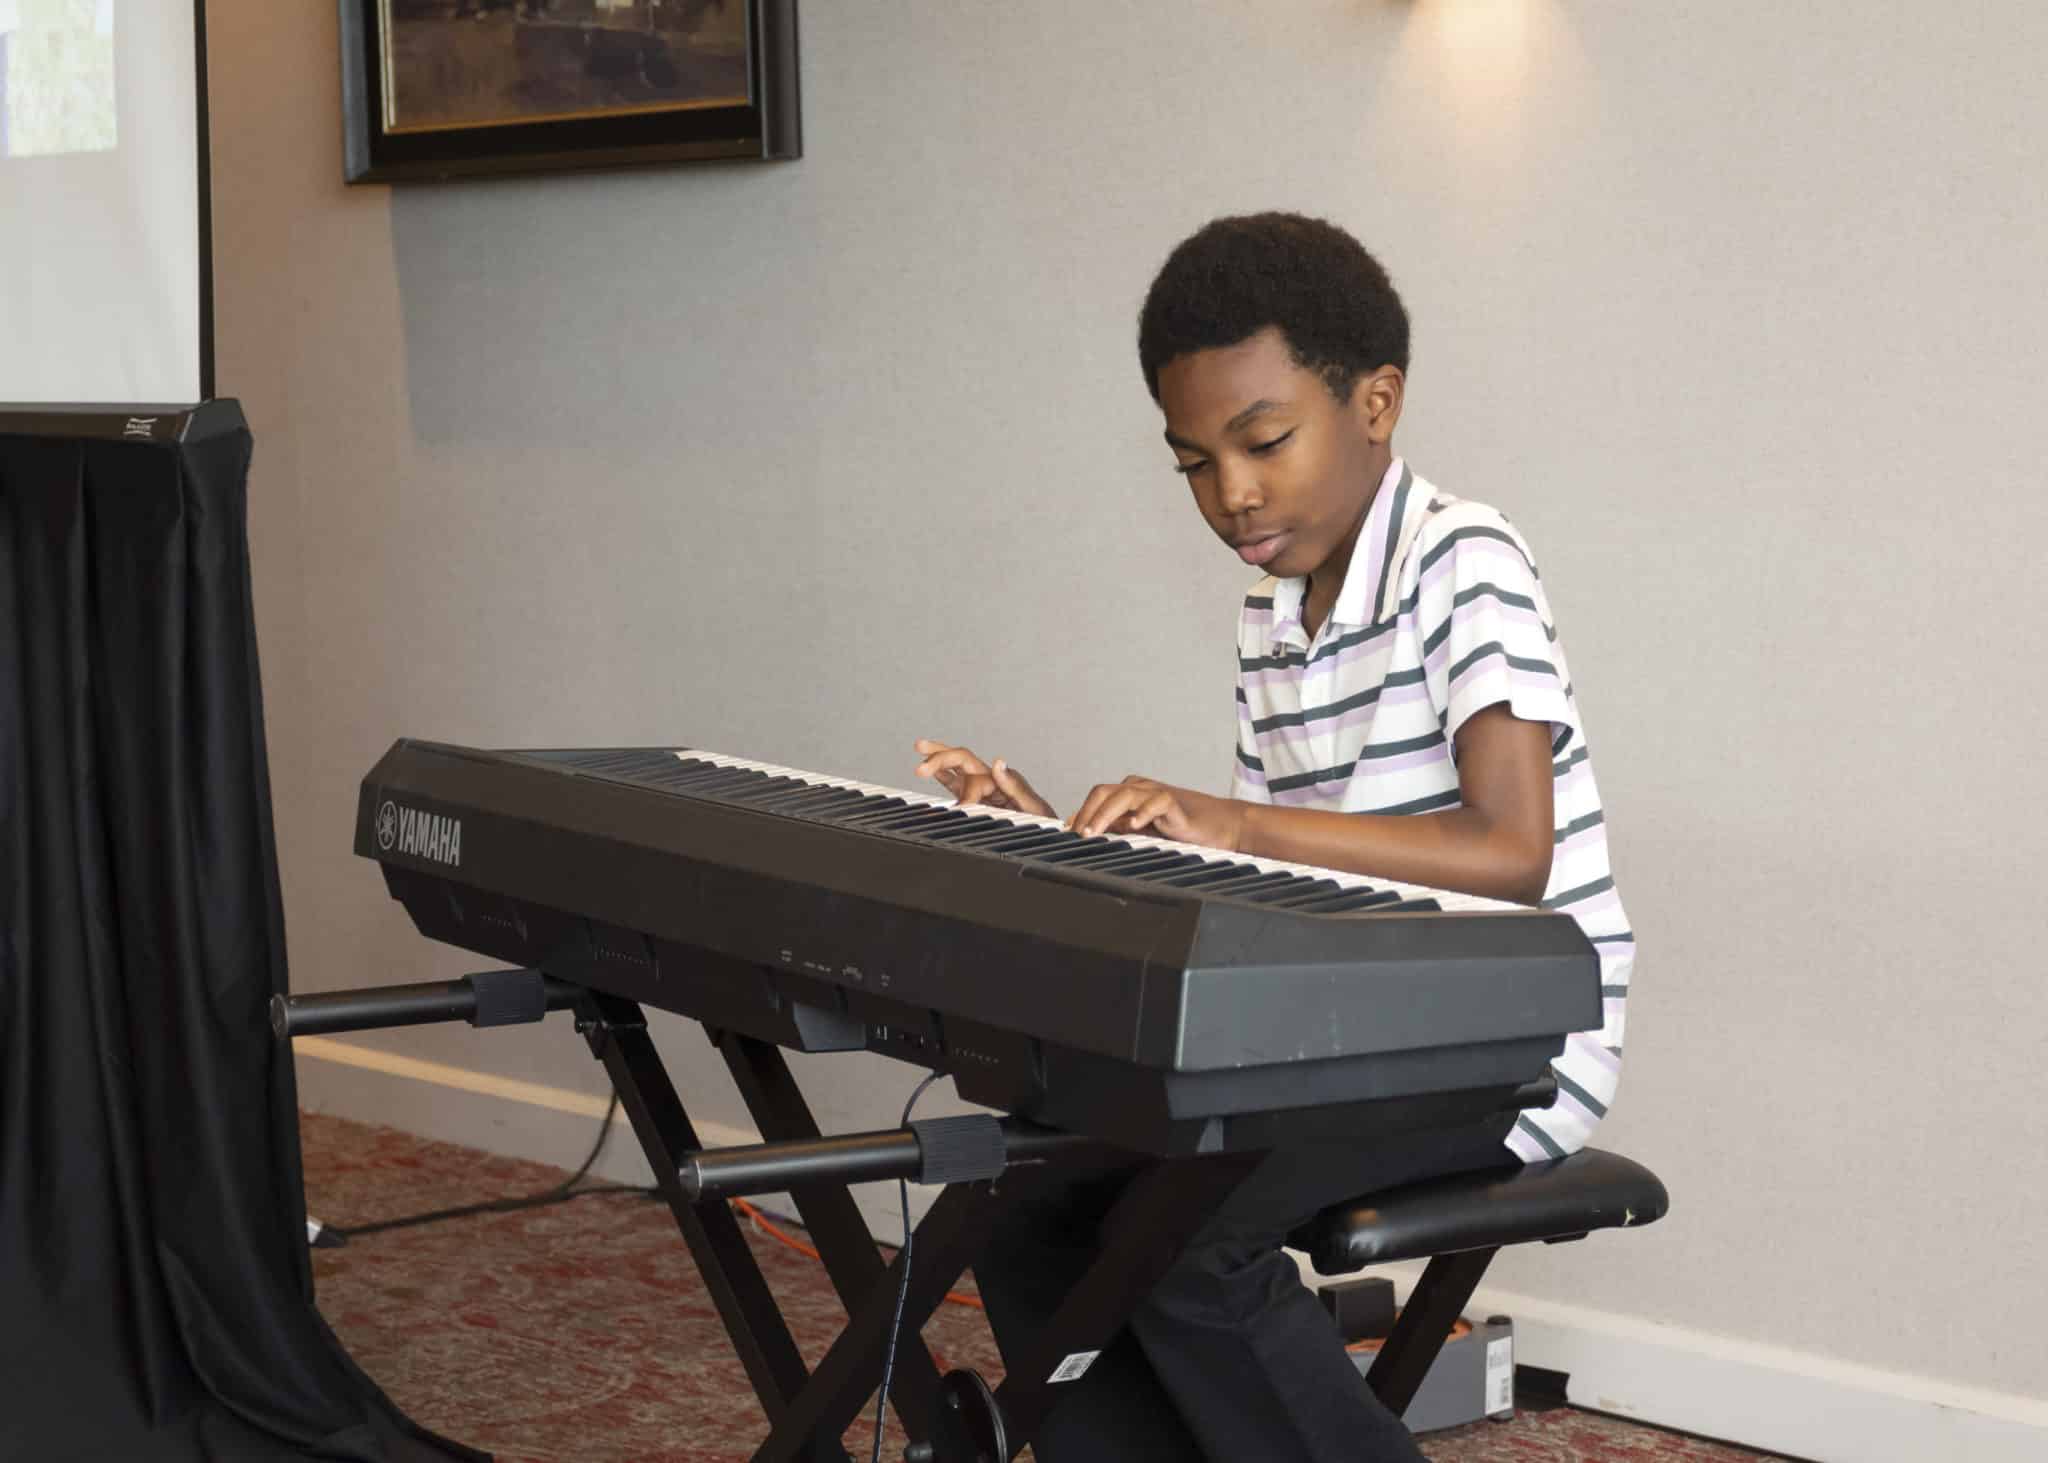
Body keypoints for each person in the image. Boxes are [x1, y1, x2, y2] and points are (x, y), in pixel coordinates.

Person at [911, 212, 1633, 1461]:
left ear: (1375, 402)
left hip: (1505, 1037)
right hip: (1350, 1028)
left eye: (1262, 441)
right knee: (1032, 1210)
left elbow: (1513, 849)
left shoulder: (1462, 558)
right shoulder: (1271, 613)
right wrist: (1054, 840)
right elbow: (1277, 877)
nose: (1230, 491)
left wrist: (1232, 818)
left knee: (1194, 1243)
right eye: (1192, 461)